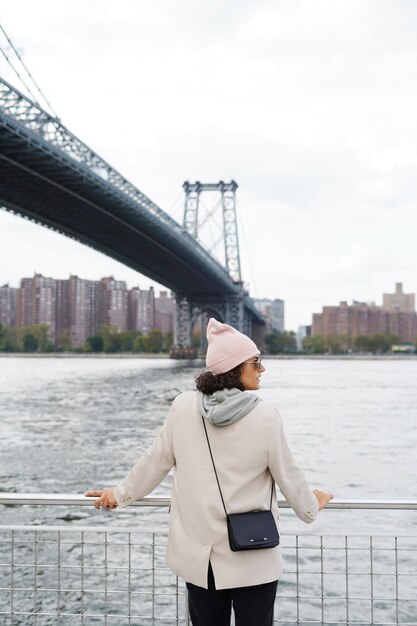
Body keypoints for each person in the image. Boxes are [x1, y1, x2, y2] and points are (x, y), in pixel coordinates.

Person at [86, 318, 332, 626]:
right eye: (256, 362)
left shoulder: (183, 408)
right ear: (235, 369)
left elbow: (154, 462)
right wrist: (312, 505)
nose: (262, 368)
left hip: (202, 562)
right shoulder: (265, 416)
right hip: (253, 555)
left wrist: (118, 495)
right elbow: (289, 476)